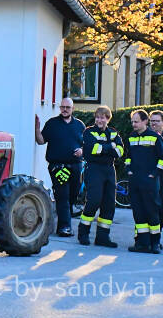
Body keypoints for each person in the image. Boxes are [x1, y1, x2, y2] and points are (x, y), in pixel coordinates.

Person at [35, 97, 85, 237]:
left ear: (73, 109)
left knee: (72, 195)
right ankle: (64, 227)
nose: (64, 109)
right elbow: (41, 141)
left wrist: (82, 150)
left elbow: (86, 144)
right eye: (62, 107)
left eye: (67, 107)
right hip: (58, 166)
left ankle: (64, 221)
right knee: (62, 195)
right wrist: (37, 129)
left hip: (76, 166)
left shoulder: (80, 125)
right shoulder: (52, 124)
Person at [124, 109, 163, 254]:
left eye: (136, 121)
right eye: (132, 122)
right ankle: (142, 244)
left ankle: (155, 244)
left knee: (152, 212)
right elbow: (128, 157)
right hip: (135, 180)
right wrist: (128, 169)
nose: (133, 124)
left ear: (145, 121)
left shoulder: (155, 137)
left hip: (149, 182)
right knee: (138, 213)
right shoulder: (131, 137)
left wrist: (153, 175)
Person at [77, 105, 122, 248]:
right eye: (97, 117)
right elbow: (92, 150)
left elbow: (120, 151)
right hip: (94, 169)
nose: (99, 120)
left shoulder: (113, 133)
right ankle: (83, 233)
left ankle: (103, 237)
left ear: (108, 119)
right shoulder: (89, 132)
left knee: (109, 204)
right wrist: (111, 147)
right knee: (94, 201)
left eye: (102, 117)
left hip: (109, 169)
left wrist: (106, 148)